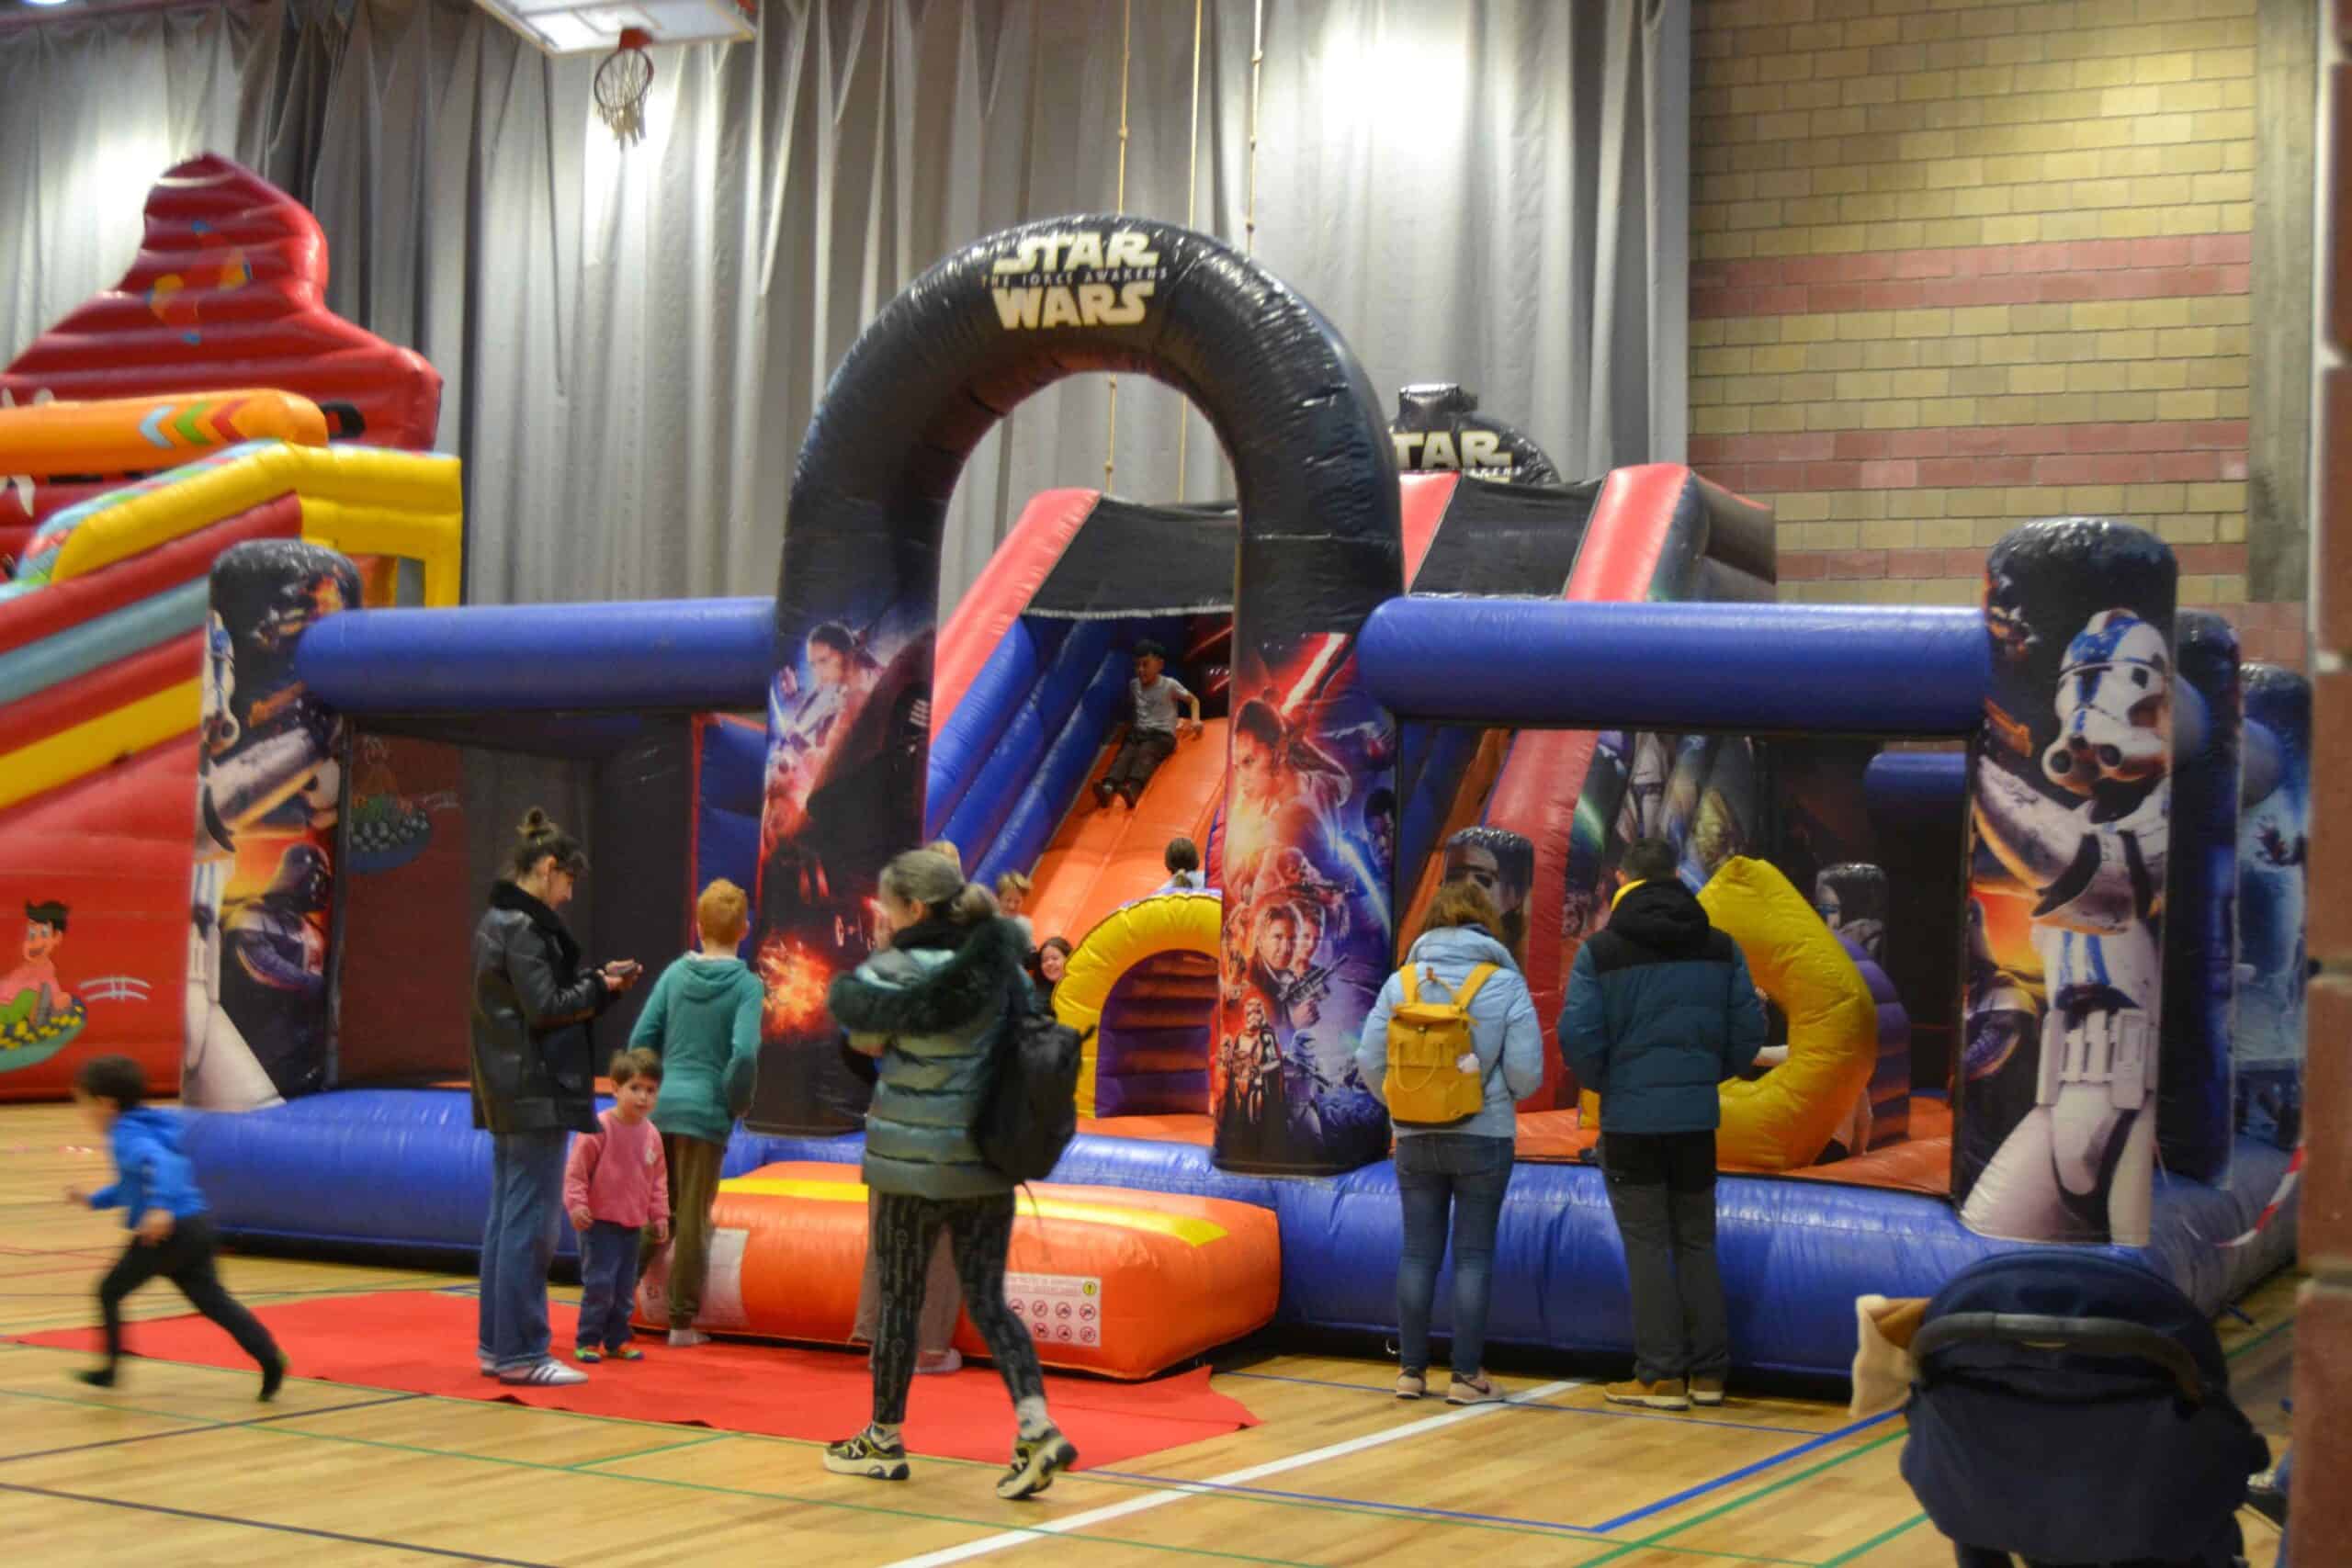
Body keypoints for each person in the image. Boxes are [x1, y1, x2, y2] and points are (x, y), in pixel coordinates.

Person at [824, 848, 1076, 1498]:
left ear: (911, 907)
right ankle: (1036, 1426)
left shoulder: (891, 970)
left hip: (908, 1169)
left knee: (901, 1302)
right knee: (990, 1300)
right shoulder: (1001, 973)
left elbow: (857, 1047)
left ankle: (883, 1435)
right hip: (988, 1165)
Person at [1561, 838, 1766, 1411]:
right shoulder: (1721, 948)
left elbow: (1578, 1037)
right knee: (1698, 1241)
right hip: (1696, 1117)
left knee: (1648, 1245)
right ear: (1677, 876)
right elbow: (1747, 1032)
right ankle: (1709, 1376)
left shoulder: (1600, 952)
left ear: (1623, 878)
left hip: (1630, 1121)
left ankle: (1659, 1375)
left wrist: (1612, 1082)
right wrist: (1706, 1073)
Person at [1355, 881, 1543, 1404]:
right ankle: (1466, 1377)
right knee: (1473, 1256)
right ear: (1486, 925)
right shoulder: (1505, 984)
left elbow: (1368, 1060)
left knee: (1417, 1252)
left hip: (1414, 1137)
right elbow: (1527, 1076)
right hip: (1483, 1136)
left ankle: (1411, 1372)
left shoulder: (1401, 984)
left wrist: (1402, 1100)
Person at [470, 808, 640, 1387]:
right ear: (548, 868)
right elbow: (546, 1007)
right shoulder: (521, 927)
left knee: (506, 1219)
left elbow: (536, 1001)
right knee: (529, 1225)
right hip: (532, 1088)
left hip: (511, 1087)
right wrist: (598, 985)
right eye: (568, 880)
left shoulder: (501, 922)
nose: (568, 894)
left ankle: (500, 1346)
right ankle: (521, 1350)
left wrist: (596, 985)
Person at [63, 1055, 286, 1398]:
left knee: (108, 1291)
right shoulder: (146, 1124)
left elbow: (163, 1164)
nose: (82, 1113)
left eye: (83, 1103)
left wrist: (160, 1209)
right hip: (197, 1225)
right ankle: (270, 1358)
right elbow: (131, 1185)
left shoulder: (127, 1135)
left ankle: (110, 1370)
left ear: (105, 1103)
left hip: (168, 1233)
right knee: (215, 1303)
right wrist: (92, 1200)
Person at [629, 878, 764, 1348]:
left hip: (663, 1108)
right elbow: (744, 1054)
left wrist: (647, 1092)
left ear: (697, 925)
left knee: (654, 1211)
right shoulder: (747, 986)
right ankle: (681, 1323)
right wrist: (736, 1101)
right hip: (706, 1113)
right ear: (744, 929)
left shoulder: (674, 975)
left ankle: (606, 1294)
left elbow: (641, 1039)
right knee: (691, 1217)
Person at [565, 1049, 669, 1362]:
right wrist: (576, 1205)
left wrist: (660, 1215)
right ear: (615, 1088)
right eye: (635, 1088)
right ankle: (588, 1339)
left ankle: (617, 1338)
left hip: (632, 1224)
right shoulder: (599, 1128)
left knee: (624, 1288)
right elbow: (576, 1172)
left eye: (650, 1090)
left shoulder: (652, 1136)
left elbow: (657, 1180)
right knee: (599, 1283)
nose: (643, 1097)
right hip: (599, 1223)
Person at [1093, 640, 1202, 808]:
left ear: (1159, 665)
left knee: (1145, 754)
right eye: (1137, 666)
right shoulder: (1134, 685)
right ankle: (1108, 788)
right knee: (1125, 754)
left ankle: (1133, 788)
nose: (1141, 670)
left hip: (1162, 735)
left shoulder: (1169, 685)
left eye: (1146, 665)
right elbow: (1135, 709)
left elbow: (1193, 700)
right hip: (1140, 732)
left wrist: (1195, 720)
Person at [1028, 936, 1071, 1012]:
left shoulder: (1083, 986)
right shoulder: (1039, 998)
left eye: (1055, 958)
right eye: (1044, 960)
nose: (1049, 963)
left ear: (1068, 958)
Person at [996, 872, 1034, 946]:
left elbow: (1029, 951)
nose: (1012, 906)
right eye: (1008, 900)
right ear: (999, 899)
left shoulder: (1025, 925)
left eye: (1017, 902)